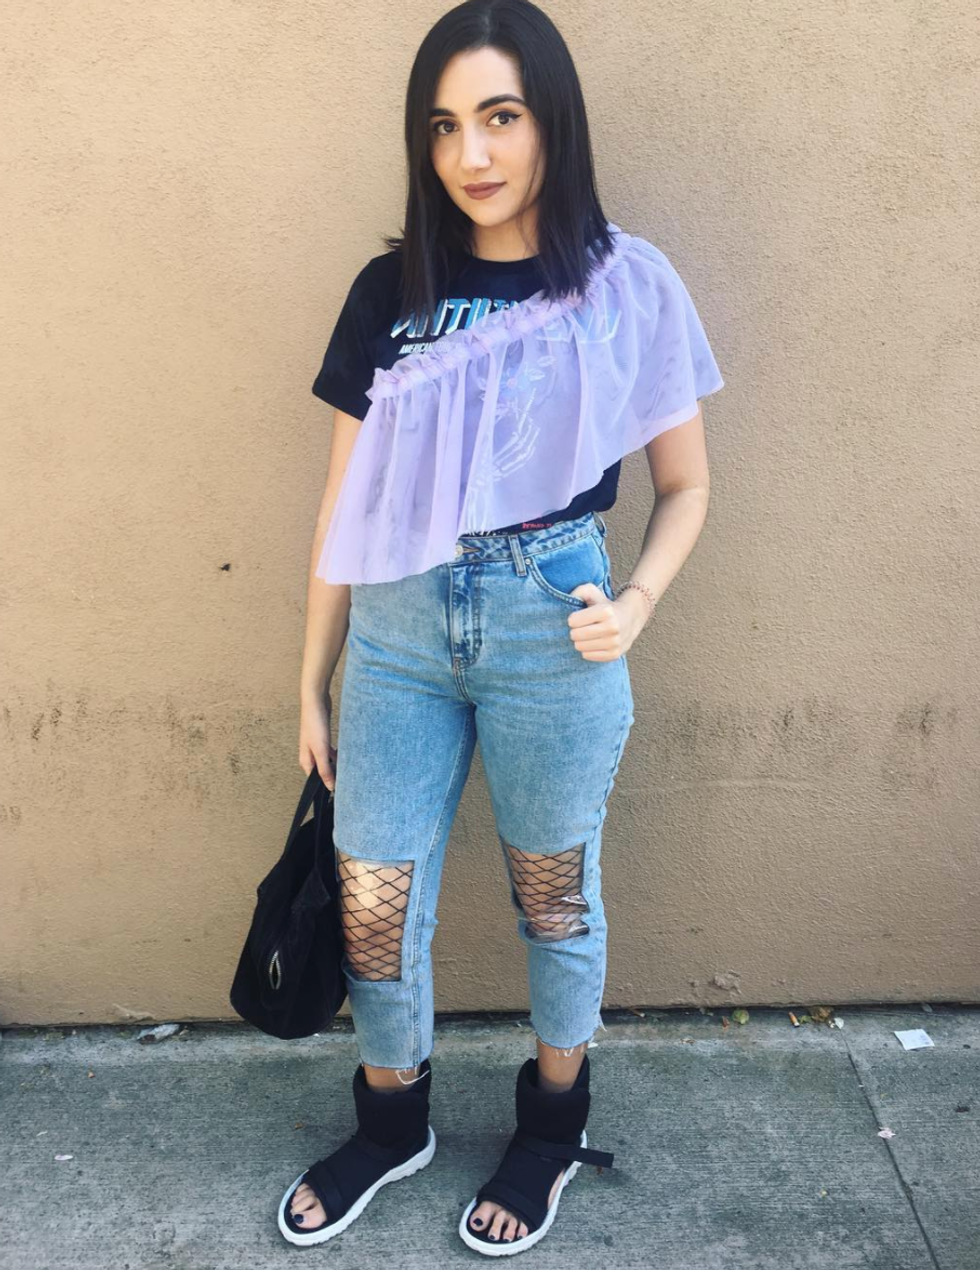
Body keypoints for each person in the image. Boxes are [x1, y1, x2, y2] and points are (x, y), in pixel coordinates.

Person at [279, 0, 724, 1254]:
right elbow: (342, 508)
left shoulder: (622, 287)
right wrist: (309, 679)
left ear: (549, 124)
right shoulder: (389, 291)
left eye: (499, 117)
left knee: (553, 895)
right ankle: (390, 1122)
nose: (470, 153)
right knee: (371, 897)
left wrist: (632, 604)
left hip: (552, 623)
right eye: (443, 126)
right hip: (397, 630)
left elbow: (686, 486)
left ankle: (551, 1125)